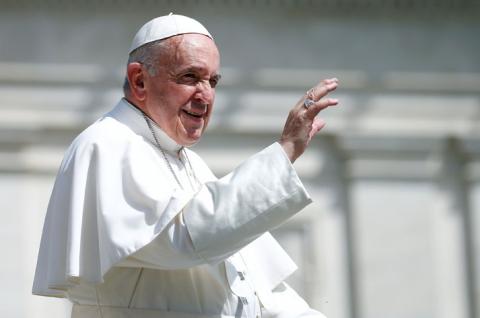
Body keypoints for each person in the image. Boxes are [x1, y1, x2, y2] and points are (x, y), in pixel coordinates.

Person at [32, 14, 339, 318]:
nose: (205, 95)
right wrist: (284, 151)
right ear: (140, 80)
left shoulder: (189, 162)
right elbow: (186, 238)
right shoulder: (105, 145)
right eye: (190, 77)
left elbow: (254, 287)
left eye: (213, 81)